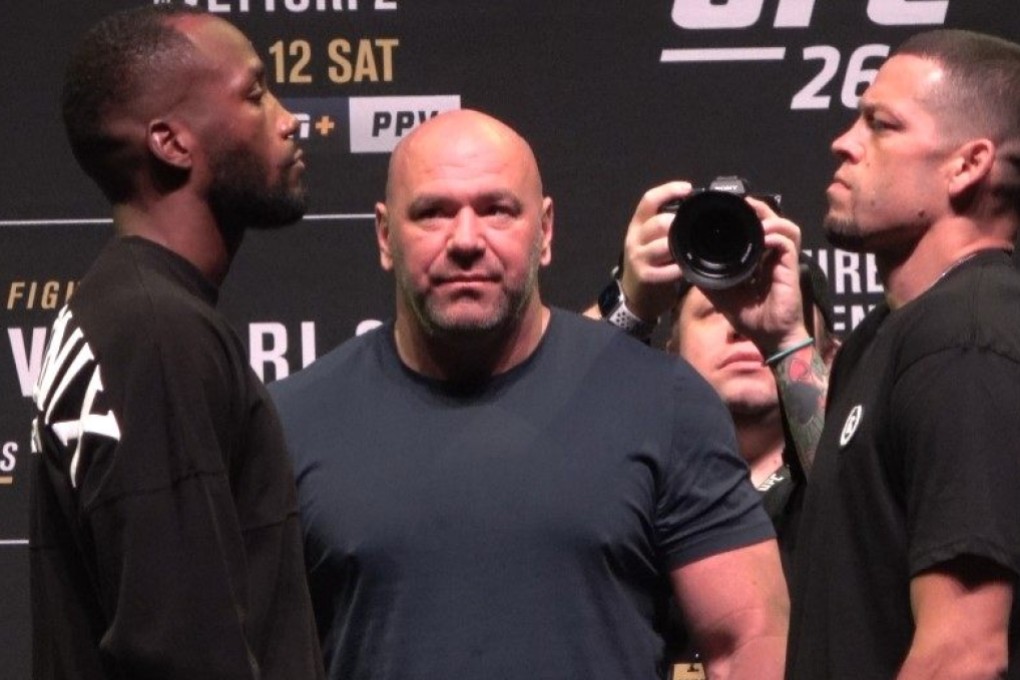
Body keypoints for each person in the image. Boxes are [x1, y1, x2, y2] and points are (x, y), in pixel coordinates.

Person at [270, 108, 789, 680]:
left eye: (496, 210)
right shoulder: (294, 422)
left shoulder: (663, 402)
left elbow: (749, 639)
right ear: (386, 235)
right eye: (433, 213)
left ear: (544, 232)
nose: (466, 240)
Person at [707, 30, 1020, 678]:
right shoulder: (895, 330)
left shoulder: (966, 340)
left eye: (881, 125)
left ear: (967, 165)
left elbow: (963, 651)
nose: (844, 142)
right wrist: (786, 341)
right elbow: (862, 506)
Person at [30, 6, 324, 679]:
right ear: (171, 142)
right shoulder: (156, 334)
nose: (288, 118)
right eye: (254, 95)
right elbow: (181, 649)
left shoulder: (123, 311)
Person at [586, 191, 840, 680]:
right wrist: (628, 307)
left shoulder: (830, 481)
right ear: (671, 346)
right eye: (713, 313)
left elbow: (864, 506)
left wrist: (785, 340)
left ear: (827, 350)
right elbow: (535, 443)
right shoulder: (629, 479)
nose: (741, 329)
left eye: (756, 308)